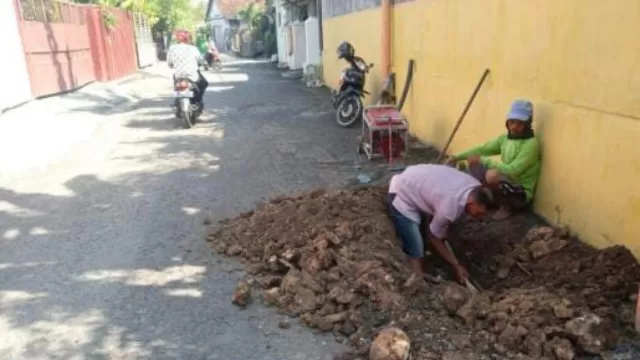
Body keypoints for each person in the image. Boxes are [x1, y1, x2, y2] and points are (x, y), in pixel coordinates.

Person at [387, 164, 493, 283]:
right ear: (471, 202)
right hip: (401, 193)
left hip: (415, 178)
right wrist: (456, 265)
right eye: (479, 213)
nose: (480, 218)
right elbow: (434, 237)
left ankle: (430, 256)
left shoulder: (474, 186)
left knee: (432, 225)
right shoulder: (450, 208)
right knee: (415, 245)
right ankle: (418, 279)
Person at [447, 99, 541, 220]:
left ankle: (508, 207)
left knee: (492, 175)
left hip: (520, 193)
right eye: (512, 122)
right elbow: (482, 149)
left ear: (527, 124)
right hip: (507, 184)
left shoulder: (530, 145)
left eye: (520, 123)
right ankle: (477, 201)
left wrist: (484, 160)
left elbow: (514, 170)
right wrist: (456, 156)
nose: (514, 127)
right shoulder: (505, 139)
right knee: (473, 163)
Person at [166, 29, 209, 107]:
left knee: (176, 83)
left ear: (177, 39)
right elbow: (200, 59)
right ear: (187, 38)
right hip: (192, 75)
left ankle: (177, 101)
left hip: (179, 75)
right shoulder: (193, 48)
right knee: (204, 84)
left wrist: (171, 64)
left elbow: (169, 62)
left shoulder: (172, 48)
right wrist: (204, 64)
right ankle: (198, 101)